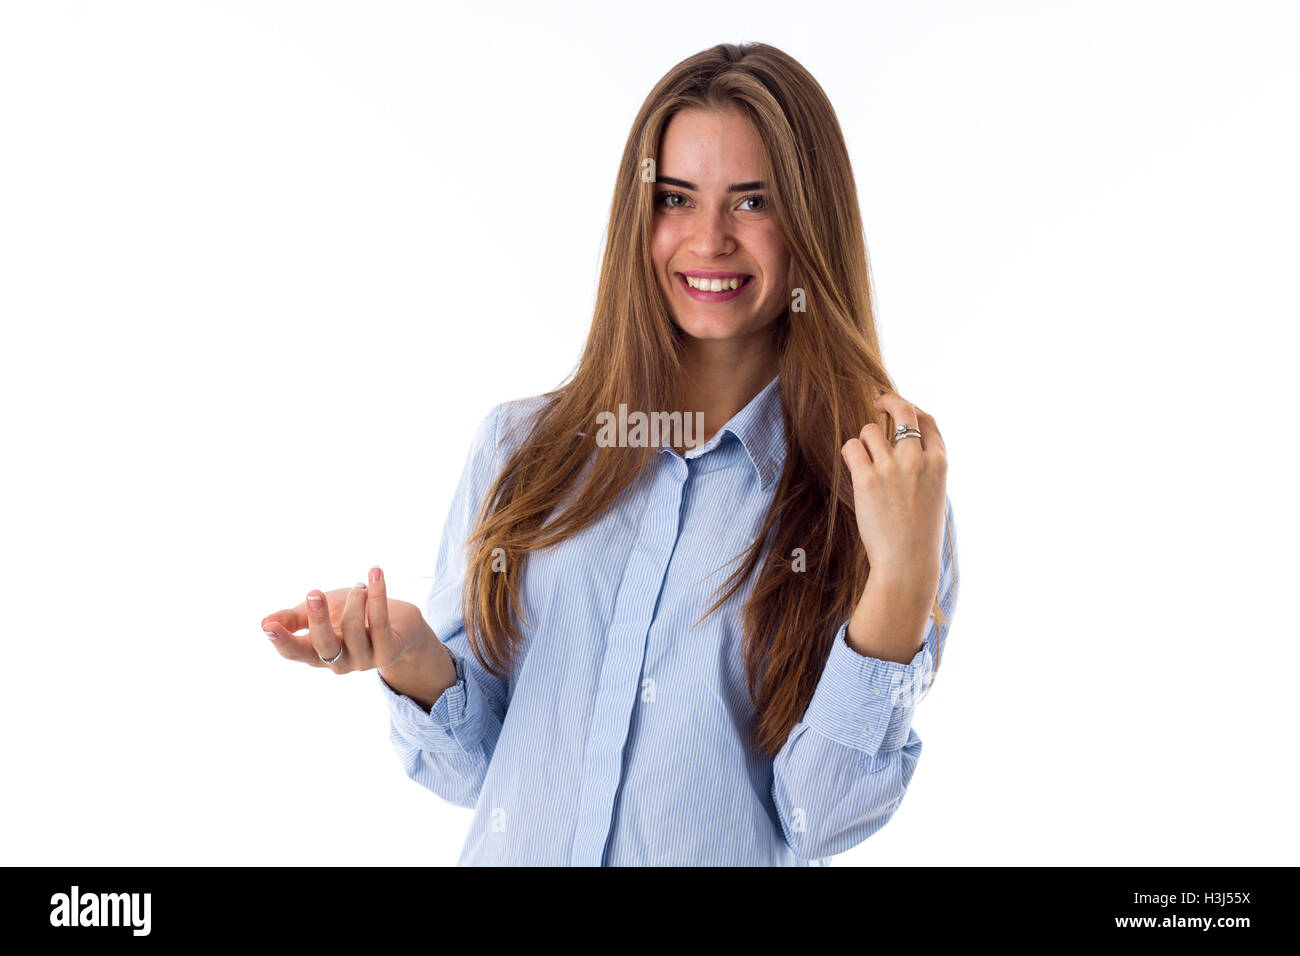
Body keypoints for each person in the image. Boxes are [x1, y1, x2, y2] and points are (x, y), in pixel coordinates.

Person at [261, 41, 959, 866]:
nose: (708, 239)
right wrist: (415, 659)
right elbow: (471, 772)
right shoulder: (522, 451)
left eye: (750, 202)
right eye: (676, 198)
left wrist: (903, 583)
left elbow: (823, 817)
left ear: (811, 222)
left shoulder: (880, 495)